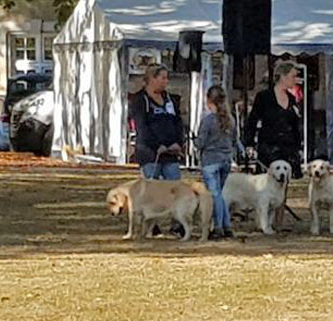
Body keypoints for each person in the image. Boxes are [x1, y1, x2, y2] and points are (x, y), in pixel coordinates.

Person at [129, 64, 185, 236]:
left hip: (170, 153)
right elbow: (142, 127)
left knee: (175, 188)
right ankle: (151, 225)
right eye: (163, 78)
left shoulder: (169, 99)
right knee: (151, 191)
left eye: (167, 78)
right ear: (152, 79)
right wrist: (156, 145)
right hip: (150, 153)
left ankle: (178, 224)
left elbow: (177, 122)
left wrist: (178, 142)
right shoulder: (140, 100)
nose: (166, 82)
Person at [244, 59, 303, 179]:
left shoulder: (292, 99)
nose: (295, 80)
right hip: (269, 149)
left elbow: (295, 126)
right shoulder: (264, 97)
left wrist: (298, 147)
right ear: (283, 77)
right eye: (293, 76)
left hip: (289, 150)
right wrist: (249, 143)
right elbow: (252, 120)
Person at [195, 85, 237, 240]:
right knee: (220, 194)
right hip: (226, 160)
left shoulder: (208, 120)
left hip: (210, 161)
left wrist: (195, 143)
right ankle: (227, 226)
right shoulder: (230, 119)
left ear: (208, 100)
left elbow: (201, 142)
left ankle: (218, 226)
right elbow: (234, 140)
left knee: (215, 195)